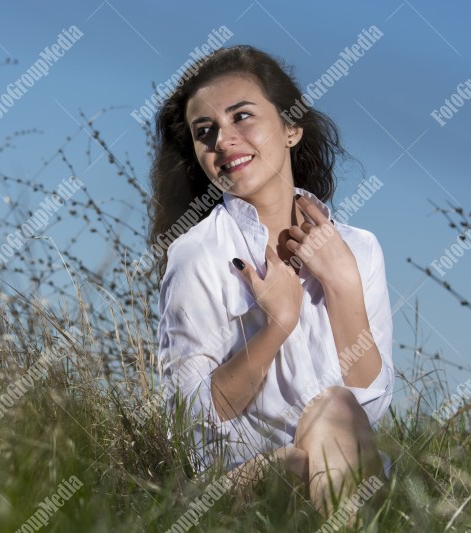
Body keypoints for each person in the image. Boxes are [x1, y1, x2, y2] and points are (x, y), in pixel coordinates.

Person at [149, 44, 394, 517]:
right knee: (304, 460)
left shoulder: (358, 248)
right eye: (206, 132)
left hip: (342, 462)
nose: (223, 140)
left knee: (337, 411)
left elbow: (370, 401)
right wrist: (277, 324)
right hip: (235, 483)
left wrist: (342, 283)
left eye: (242, 116)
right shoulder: (198, 253)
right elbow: (194, 419)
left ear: (291, 128)